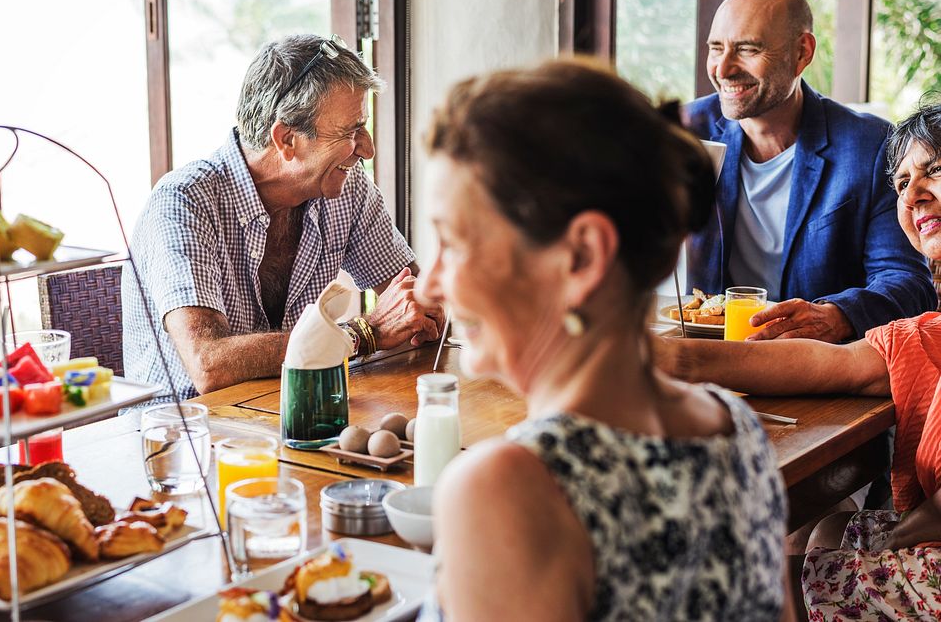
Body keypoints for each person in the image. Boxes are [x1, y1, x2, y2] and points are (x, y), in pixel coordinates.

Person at [416, 59, 790, 620]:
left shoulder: (508, 489)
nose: (428, 283)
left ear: (582, 256)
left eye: (454, 242)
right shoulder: (735, 429)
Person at [658, 102, 941, 618]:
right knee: (828, 529)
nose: (913, 193)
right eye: (901, 183)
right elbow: (828, 365)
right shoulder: (932, 331)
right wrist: (670, 355)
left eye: (934, 170)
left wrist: (895, 540)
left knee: (757, 581)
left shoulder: (855, 139)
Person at [122, 34, 442, 401]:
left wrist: (424, 310)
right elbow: (209, 364)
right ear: (286, 139)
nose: (366, 149)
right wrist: (360, 334)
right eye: (351, 131)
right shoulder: (183, 202)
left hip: (287, 417)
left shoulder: (346, 189)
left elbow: (420, 306)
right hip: (180, 440)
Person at [685, 0, 934, 343]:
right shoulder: (682, 133)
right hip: (699, 355)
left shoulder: (871, 145)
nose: (723, 69)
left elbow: (908, 282)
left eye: (748, 49)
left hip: (814, 366)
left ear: (802, 52)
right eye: (716, 48)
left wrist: (836, 316)